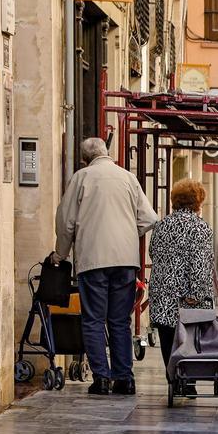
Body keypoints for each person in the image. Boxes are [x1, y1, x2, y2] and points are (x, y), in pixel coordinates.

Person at [55, 137, 158, 396]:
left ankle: (101, 378)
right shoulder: (128, 178)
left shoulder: (81, 178)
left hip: (93, 259)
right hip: (125, 260)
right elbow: (149, 217)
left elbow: (66, 222)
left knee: (93, 320)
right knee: (120, 321)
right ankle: (124, 378)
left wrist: (61, 254)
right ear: (106, 152)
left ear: (84, 159)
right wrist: (128, 233)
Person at [147, 179, 216, 385]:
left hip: (162, 294)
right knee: (189, 340)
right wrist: (196, 294)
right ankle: (187, 380)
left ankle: (173, 379)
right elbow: (200, 264)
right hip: (186, 300)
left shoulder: (161, 225)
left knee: (167, 338)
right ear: (198, 202)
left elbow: (153, 253)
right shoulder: (200, 228)